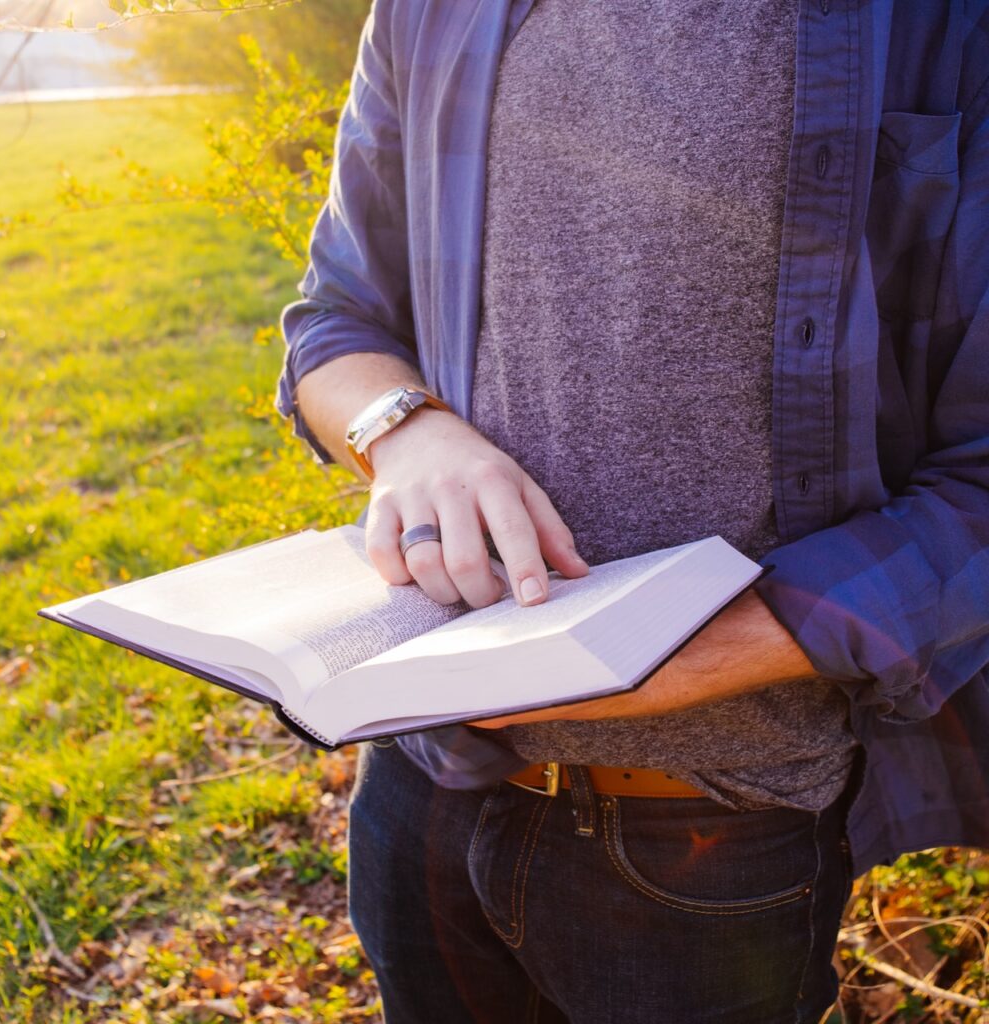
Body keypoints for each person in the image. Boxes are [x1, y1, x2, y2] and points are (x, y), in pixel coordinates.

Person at [275, 1, 989, 1020]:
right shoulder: (428, 12)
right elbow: (336, 317)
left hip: (712, 836)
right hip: (424, 782)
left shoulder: (941, 24)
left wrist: (685, 656)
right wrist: (407, 432)